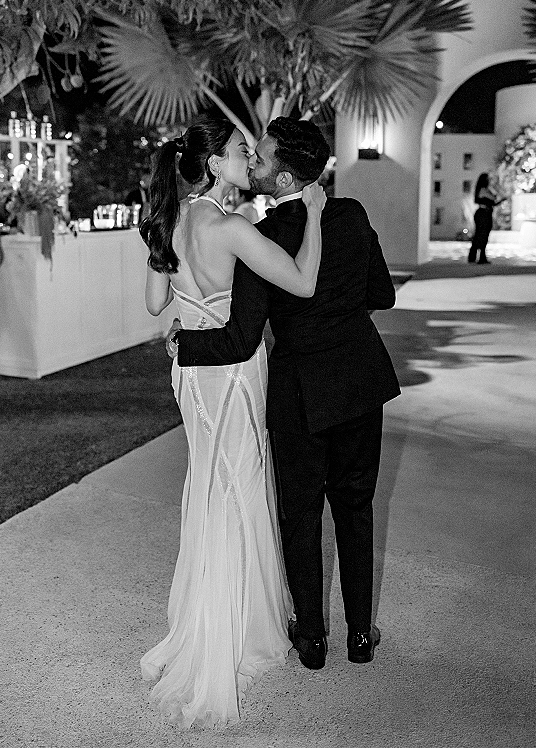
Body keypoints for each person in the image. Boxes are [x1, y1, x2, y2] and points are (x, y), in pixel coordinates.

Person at [167, 117, 400, 675]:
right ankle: (360, 635)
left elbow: (242, 337)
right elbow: (383, 294)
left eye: (262, 158)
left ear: (286, 177)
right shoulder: (352, 215)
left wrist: (183, 344)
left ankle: (312, 639)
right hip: (360, 382)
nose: (254, 164)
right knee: (356, 507)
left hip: (301, 395)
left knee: (300, 514)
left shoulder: (262, 236)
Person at [138, 115, 326, 728]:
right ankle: (239, 634)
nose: (249, 157)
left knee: (207, 489)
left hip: (191, 376)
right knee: (240, 490)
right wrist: (314, 217)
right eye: (242, 150)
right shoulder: (232, 228)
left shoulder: (171, 220)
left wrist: (183, 316)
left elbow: (155, 303)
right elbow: (302, 282)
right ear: (216, 163)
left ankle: (205, 623)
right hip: (235, 376)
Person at [467, 172, 505, 264]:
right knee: (482, 235)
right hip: (483, 214)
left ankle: (476, 256)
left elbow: (493, 202)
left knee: (480, 235)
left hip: (484, 214)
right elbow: (493, 198)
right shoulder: (483, 190)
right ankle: (479, 257)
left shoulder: (482, 190)